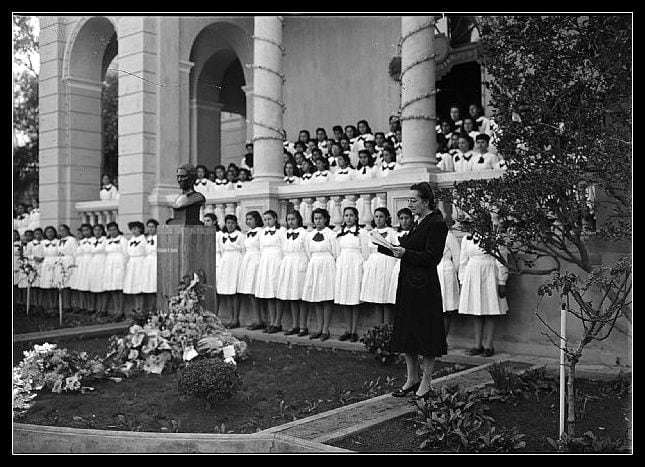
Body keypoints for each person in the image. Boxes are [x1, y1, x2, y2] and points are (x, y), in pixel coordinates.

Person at [386, 182, 448, 402]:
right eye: (408, 200)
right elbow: (412, 250)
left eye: (414, 200)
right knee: (408, 331)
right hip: (409, 284)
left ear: (426, 201)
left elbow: (433, 257)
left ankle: (426, 382)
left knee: (426, 333)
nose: (410, 204)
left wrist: (405, 253)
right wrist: (393, 250)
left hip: (424, 286)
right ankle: (411, 379)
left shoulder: (436, 223)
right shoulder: (418, 223)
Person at [458, 226, 509, 357]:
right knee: (476, 311)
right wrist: (463, 281)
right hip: (473, 275)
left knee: (490, 310)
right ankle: (477, 344)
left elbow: (501, 260)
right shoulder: (467, 239)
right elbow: (463, 261)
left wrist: (502, 281)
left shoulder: (495, 238)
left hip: (490, 274)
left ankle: (489, 345)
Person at [334, 207, 370, 342]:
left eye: (351, 215)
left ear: (356, 217)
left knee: (354, 299)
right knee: (344, 299)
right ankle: (347, 329)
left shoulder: (362, 233)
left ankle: (354, 330)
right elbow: (337, 253)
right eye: (346, 215)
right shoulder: (338, 233)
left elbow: (366, 254)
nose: (348, 218)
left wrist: (362, 268)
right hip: (343, 266)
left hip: (356, 266)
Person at [302, 208, 337, 340]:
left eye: (320, 218)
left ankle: (325, 329)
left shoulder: (331, 235)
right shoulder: (309, 235)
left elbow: (336, 253)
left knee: (326, 298)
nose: (318, 221)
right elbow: (308, 252)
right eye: (316, 218)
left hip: (327, 264)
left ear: (326, 219)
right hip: (315, 265)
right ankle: (318, 328)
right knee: (317, 298)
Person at [361, 208, 399, 325]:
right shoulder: (370, 233)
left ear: (387, 218)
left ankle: (387, 329)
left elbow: (396, 250)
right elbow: (366, 253)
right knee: (376, 299)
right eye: (376, 216)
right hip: (374, 266)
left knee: (386, 299)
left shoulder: (392, 233)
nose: (378, 219)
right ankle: (378, 330)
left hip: (388, 265)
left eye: (381, 216)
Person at [276, 210, 309, 336]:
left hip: (300, 264)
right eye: (288, 219)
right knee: (292, 297)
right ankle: (295, 324)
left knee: (301, 297)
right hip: (289, 264)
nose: (290, 222)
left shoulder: (304, 234)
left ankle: (303, 326)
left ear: (298, 220)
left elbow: (308, 251)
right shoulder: (286, 234)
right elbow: (283, 250)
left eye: (293, 219)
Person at [255, 210, 286, 333]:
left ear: (275, 218)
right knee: (269, 293)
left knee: (277, 292)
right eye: (265, 219)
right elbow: (262, 248)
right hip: (266, 262)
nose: (267, 221)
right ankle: (272, 321)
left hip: (277, 261)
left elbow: (284, 248)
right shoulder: (262, 233)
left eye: (269, 219)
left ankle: (278, 322)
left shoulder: (281, 231)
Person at [216, 214, 245, 326]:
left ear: (236, 224)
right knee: (227, 291)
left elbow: (243, 250)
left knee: (234, 291)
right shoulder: (223, 236)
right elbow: (222, 250)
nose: (230, 225)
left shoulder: (240, 236)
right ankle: (230, 317)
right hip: (226, 262)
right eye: (228, 223)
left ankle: (235, 318)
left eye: (232, 223)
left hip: (236, 262)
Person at [237, 211, 264, 330]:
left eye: (250, 219)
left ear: (257, 220)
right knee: (249, 291)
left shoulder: (261, 232)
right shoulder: (247, 233)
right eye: (246, 219)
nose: (248, 221)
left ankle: (260, 320)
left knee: (256, 291)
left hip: (257, 262)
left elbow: (263, 249)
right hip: (248, 262)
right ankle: (256, 319)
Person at [386, 208, 413, 313]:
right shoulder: (395, 235)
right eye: (401, 218)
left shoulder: (415, 233)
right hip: (398, 266)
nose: (404, 221)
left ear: (412, 219)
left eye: (406, 218)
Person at [438, 227, 461, 340]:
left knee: (446, 308)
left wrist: (452, 272)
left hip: (445, 272)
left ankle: (442, 339)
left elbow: (457, 257)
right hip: (430, 271)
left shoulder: (448, 236)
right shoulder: (425, 234)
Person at [103, 221, 128, 318]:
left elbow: (126, 254)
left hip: (119, 265)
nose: (112, 232)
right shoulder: (107, 241)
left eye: (114, 229)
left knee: (119, 288)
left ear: (117, 229)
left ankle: (121, 310)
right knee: (112, 288)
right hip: (110, 265)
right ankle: (115, 309)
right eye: (110, 230)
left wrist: (123, 266)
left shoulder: (122, 240)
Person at [123, 221, 147, 314]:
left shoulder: (144, 240)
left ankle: (141, 308)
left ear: (140, 229)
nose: (133, 231)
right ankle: (136, 308)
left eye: (135, 228)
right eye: (132, 229)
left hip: (140, 264)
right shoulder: (130, 240)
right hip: (132, 264)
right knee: (134, 287)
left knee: (140, 287)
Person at [70, 224, 94, 313]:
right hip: (81, 265)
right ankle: (82, 306)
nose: (85, 232)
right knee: (81, 286)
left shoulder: (94, 240)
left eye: (87, 230)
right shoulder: (81, 241)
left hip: (90, 263)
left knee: (89, 286)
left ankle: (91, 307)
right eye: (83, 231)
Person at [38, 226, 61, 315]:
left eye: (51, 232)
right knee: (47, 286)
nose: (50, 234)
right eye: (48, 232)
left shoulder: (58, 242)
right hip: (46, 263)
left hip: (56, 262)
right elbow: (40, 254)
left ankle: (55, 305)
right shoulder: (42, 243)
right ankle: (49, 305)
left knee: (55, 285)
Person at [87, 224, 108, 315]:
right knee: (94, 286)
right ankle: (95, 308)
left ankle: (103, 309)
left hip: (102, 262)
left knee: (102, 287)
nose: (97, 232)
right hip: (93, 263)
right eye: (95, 230)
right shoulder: (91, 240)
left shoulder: (105, 240)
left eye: (99, 230)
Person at [23, 227, 44, 311]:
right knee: (34, 286)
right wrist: (34, 257)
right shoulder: (31, 244)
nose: (37, 235)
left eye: (39, 233)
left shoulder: (44, 243)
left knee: (41, 286)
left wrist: (43, 258)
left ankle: (41, 303)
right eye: (36, 234)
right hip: (34, 265)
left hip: (43, 265)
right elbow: (26, 255)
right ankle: (35, 303)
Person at [141, 219, 159, 314]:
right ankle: (148, 309)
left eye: (152, 227)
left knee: (155, 285)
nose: (150, 229)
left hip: (155, 261)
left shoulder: (159, 238)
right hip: (147, 263)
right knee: (147, 286)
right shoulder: (145, 239)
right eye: (149, 227)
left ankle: (156, 308)